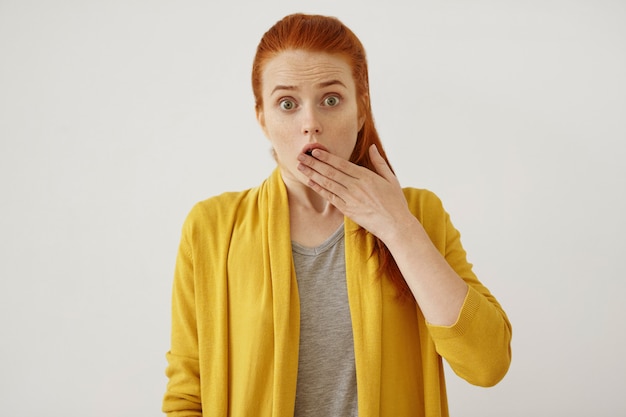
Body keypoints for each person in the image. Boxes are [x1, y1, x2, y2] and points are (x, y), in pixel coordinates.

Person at [162, 13, 512, 417]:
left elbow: (488, 364)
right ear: (262, 118)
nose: (311, 125)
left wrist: (398, 228)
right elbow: (187, 395)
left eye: (331, 100)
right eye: (287, 104)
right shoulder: (211, 228)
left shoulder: (420, 214)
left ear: (361, 111)